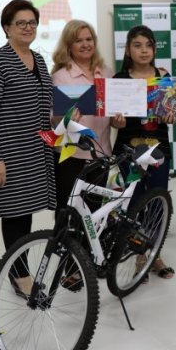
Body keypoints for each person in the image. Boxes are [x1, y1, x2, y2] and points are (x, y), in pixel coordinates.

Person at [0, 0, 56, 296]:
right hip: (9, 152)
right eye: (21, 23)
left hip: (36, 151)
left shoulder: (39, 59)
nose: (28, 28)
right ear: (7, 28)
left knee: (26, 214)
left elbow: (42, 106)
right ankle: (19, 274)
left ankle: (20, 268)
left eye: (32, 22)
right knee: (14, 214)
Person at [112, 25, 174, 280]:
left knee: (157, 202)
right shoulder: (119, 80)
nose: (144, 50)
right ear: (128, 50)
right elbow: (113, 122)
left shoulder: (164, 75)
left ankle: (151, 255)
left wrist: (171, 115)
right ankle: (135, 251)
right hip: (129, 151)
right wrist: (117, 122)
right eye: (137, 45)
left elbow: (171, 117)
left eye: (148, 45)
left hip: (159, 150)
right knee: (134, 202)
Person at [51, 19, 121, 210]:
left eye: (89, 39)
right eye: (78, 40)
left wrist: (118, 120)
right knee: (68, 211)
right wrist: (65, 119)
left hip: (101, 153)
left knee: (96, 210)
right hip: (71, 155)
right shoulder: (59, 76)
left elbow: (114, 119)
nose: (85, 44)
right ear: (68, 46)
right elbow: (52, 118)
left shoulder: (106, 72)